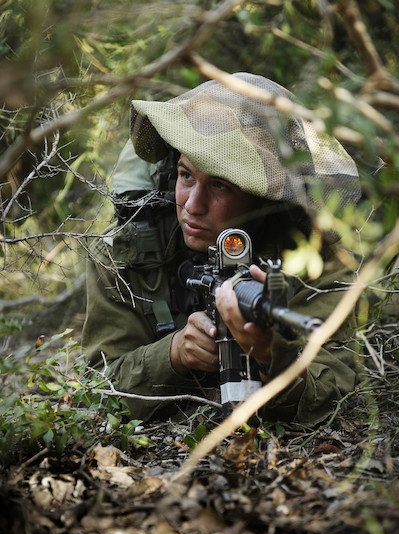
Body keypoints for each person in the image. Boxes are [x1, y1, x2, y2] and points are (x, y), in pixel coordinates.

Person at [82, 73, 361, 426]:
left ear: (263, 200)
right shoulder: (125, 251)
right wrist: (174, 355)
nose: (192, 205)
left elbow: (337, 391)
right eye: (186, 176)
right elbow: (97, 392)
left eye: (220, 186)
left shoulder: (315, 257)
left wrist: (275, 357)